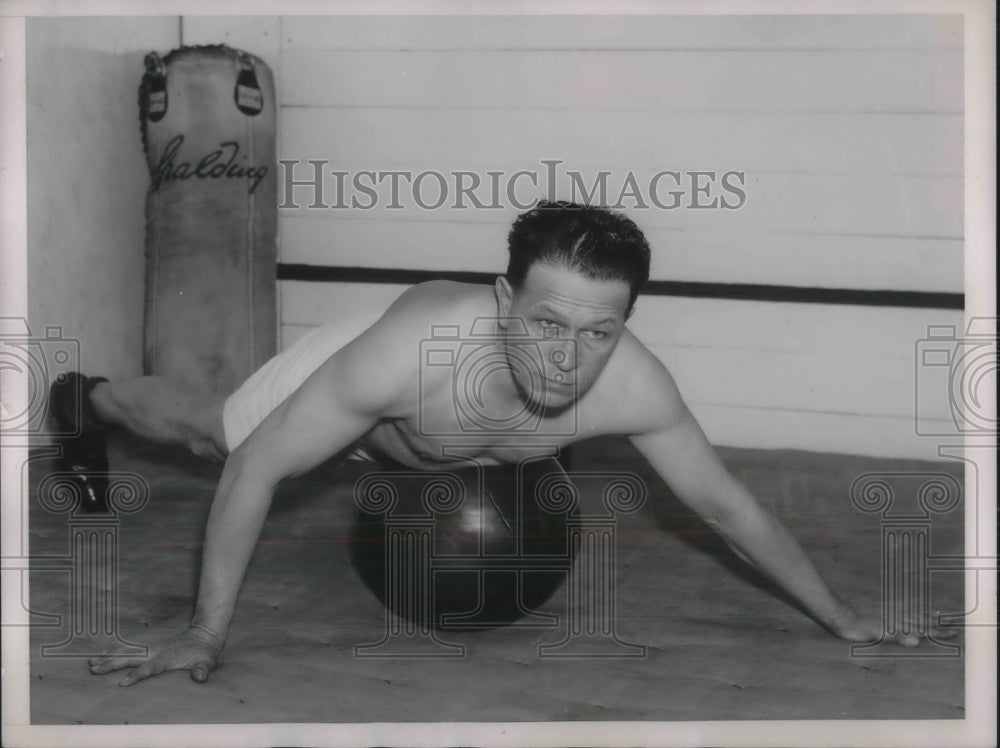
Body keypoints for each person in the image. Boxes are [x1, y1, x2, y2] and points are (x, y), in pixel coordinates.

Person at [55, 201, 942, 688]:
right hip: (387, 415)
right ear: (501, 298)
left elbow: (725, 503)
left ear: (626, 323)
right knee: (212, 434)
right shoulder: (402, 360)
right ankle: (87, 398)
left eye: (598, 334)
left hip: (469, 437)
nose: (567, 358)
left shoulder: (633, 386)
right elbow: (257, 467)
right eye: (547, 323)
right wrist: (205, 634)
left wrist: (843, 615)